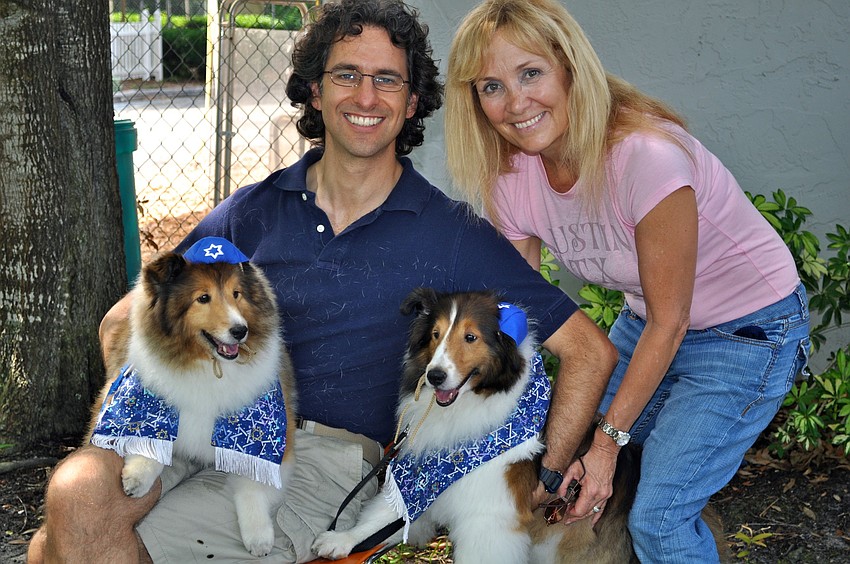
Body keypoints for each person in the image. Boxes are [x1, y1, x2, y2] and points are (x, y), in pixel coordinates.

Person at [27, 1, 617, 562]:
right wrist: (150, 413)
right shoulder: (251, 212)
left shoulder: (451, 233)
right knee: (77, 496)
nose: (366, 96)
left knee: (75, 549)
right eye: (346, 75)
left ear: (413, 103)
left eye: (388, 80)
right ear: (315, 89)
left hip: (317, 457)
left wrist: (544, 474)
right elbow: (118, 324)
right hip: (198, 424)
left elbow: (588, 351)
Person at [444, 0, 811, 561]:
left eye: (531, 73)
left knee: (660, 514)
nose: (515, 103)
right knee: (566, 472)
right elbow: (517, 317)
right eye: (491, 86)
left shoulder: (645, 157)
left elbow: (674, 320)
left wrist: (609, 443)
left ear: (570, 68)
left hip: (747, 333)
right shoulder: (511, 176)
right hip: (646, 322)